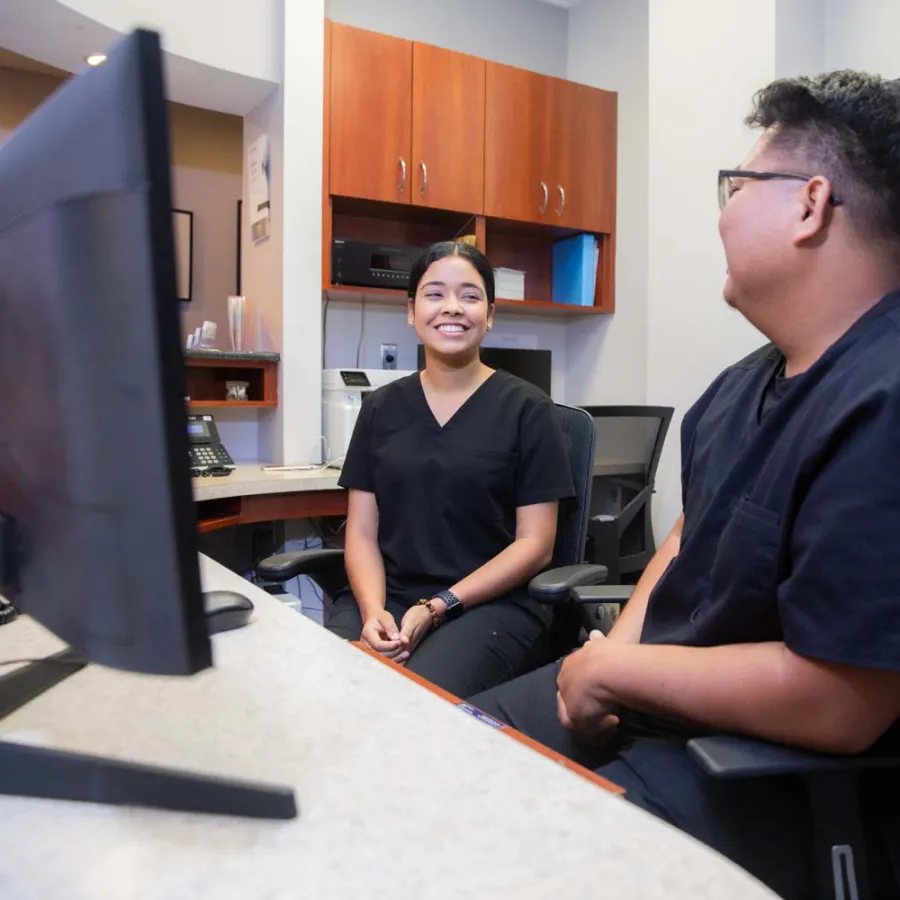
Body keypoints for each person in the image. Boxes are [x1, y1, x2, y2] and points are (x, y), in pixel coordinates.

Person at [469, 71, 900, 899]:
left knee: (499, 860)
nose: (722, 213)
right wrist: (613, 654)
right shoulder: (740, 386)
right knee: (438, 753)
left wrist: (617, 677)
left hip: (773, 773)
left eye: (737, 187)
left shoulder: (883, 395)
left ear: (809, 204)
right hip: (661, 703)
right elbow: (685, 537)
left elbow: (841, 700)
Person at [327, 241, 574, 697]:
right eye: (435, 294)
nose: (452, 308)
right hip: (392, 594)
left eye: (470, 295)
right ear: (411, 311)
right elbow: (361, 532)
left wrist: (440, 605)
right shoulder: (381, 407)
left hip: (490, 605)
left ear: (491, 314)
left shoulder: (528, 409)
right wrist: (372, 609)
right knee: (335, 684)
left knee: (412, 699)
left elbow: (536, 545)